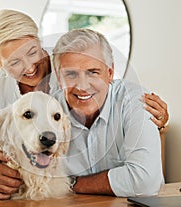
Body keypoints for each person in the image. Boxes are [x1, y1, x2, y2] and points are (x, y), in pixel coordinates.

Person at [0, 9, 168, 200]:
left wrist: (147, 119)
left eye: (33, 52)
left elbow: (145, 180)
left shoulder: (75, 87)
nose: (29, 67)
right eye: (14, 62)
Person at [52, 28, 163, 196]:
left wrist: (71, 184)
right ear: (59, 79)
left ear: (110, 73)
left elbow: (145, 181)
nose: (82, 86)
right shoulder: (45, 110)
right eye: (71, 74)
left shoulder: (135, 100)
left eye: (93, 72)